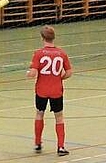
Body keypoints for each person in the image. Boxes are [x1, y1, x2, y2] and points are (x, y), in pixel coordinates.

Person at [27, 25, 72, 156]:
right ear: (54, 38)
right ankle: (61, 147)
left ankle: (37, 143)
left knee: (39, 114)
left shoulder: (38, 54)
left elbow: (34, 73)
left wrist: (29, 72)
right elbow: (69, 72)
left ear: (42, 38)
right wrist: (59, 78)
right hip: (56, 90)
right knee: (59, 117)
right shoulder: (62, 53)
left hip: (41, 90)